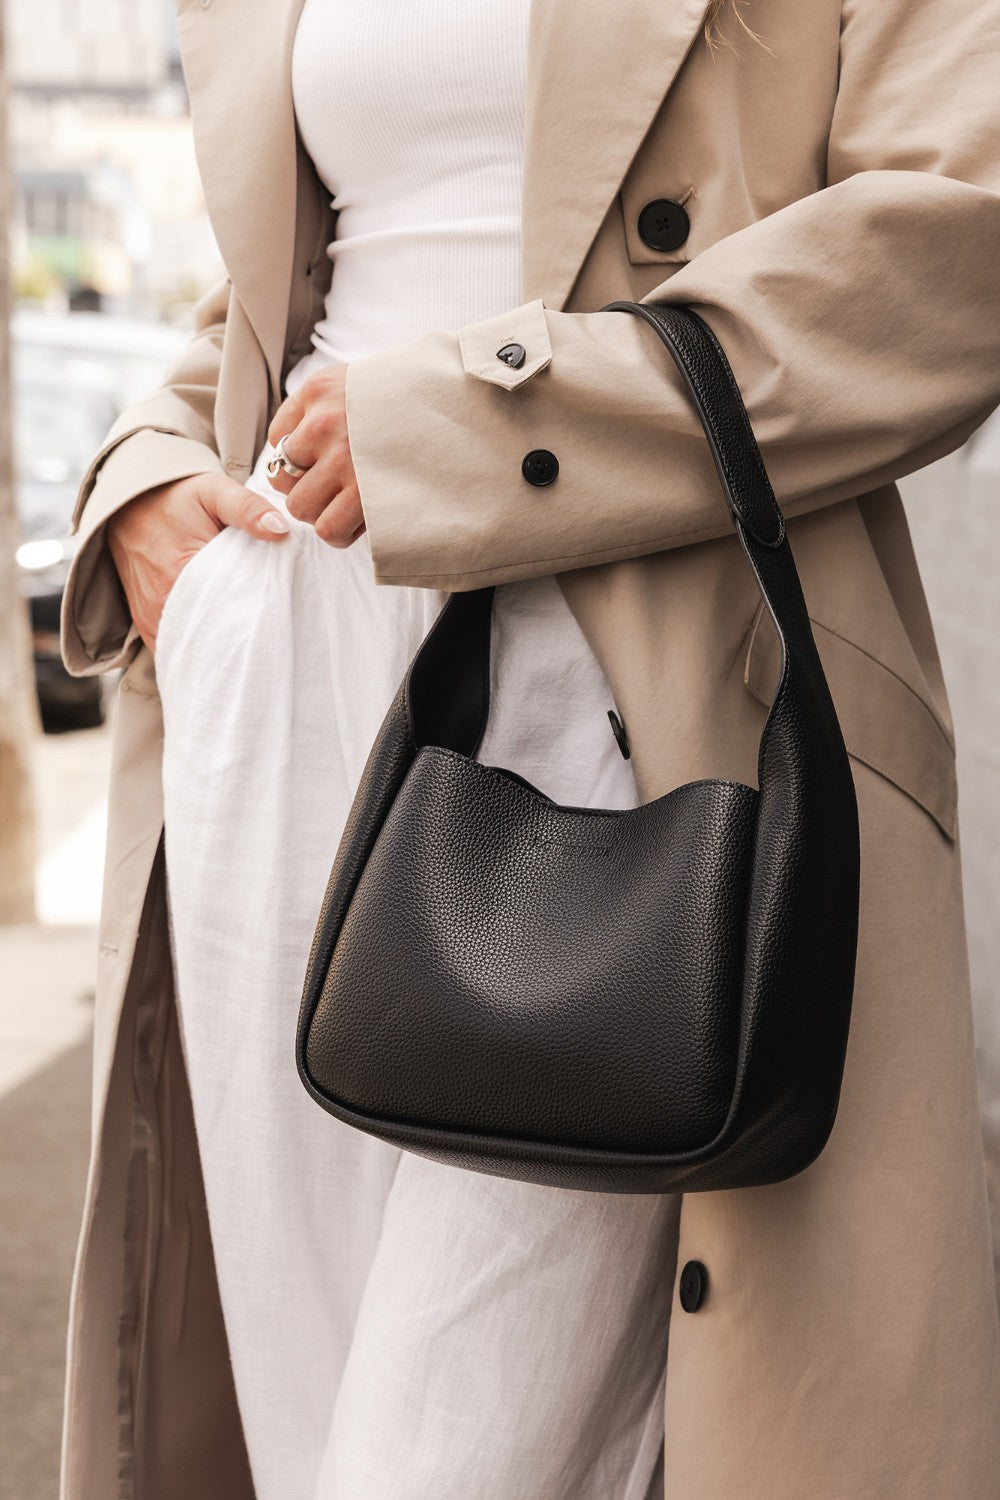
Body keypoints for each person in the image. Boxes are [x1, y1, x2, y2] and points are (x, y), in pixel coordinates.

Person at [59, 0, 1000, 1496]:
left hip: (638, 687)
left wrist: (468, 426)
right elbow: (297, 288)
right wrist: (147, 475)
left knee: (436, 1460)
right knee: (308, 1439)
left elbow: (957, 243)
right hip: (285, 661)